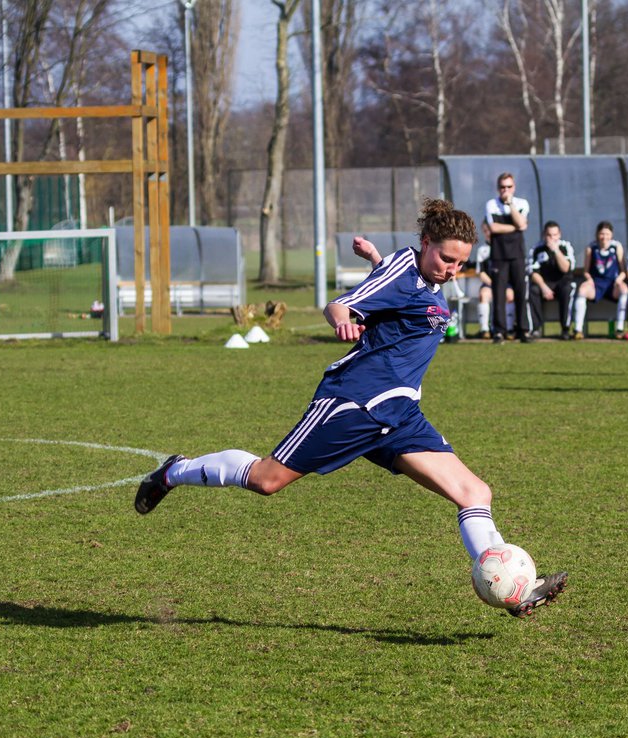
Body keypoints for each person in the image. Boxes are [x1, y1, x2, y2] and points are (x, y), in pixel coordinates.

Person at [134, 199, 567, 618]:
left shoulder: (424, 279)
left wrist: (378, 262)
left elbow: (397, 291)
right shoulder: (405, 266)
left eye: (460, 263)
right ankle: (175, 471)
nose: (452, 269)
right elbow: (342, 302)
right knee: (267, 481)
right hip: (352, 404)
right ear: (427, 242)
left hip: (399, 416)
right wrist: (342, 317)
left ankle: (519, 590)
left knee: (475, 493)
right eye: (446, 258)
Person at [484, 173, 532, 343]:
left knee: (521, 292)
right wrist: (516, 227)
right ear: (498, 188)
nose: (506, 190)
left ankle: (523, 330)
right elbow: (494, 228)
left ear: (514, 187)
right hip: (499, 255)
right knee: (499, 294)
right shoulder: (491, 204)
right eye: (503, 187)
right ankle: (499, 331)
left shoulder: (521, 203)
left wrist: (510, 204)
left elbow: (521, 223)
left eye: (509, 187)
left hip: (517, 254)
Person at [570, 221, 625, 340]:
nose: (604, 237)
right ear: (597, 234)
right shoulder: (591, 248)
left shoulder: (617, 247)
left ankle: (620, 329)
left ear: (611, 235)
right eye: (601, 234)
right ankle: (578, 330)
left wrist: (620, 279)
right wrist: (589, 280)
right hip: (597, 284)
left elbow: (623, 270)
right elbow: (586, 271)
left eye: (607, 234)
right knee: (582, 290)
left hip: (612, 284)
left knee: (624, 290)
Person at [527, 221, 576, 340]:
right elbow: (533, 273)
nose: (552, 238)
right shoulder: (536, 249)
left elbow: (566, 268)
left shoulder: (565, 247)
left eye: (555, 235)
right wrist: (544, 287)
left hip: (562, 282)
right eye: (549, 235)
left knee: (567, 289)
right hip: (544, 283)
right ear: (544, 235)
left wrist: (556, 251)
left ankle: (565, 329)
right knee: (533, 290)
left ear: (559, 235)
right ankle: (536, 329)